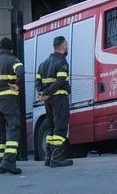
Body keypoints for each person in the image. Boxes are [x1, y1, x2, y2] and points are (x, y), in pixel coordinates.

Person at [0, 37, 24, 175]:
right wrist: (17, 84)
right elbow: (21, 71)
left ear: (0, 49)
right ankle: (9, 162)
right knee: (13, 129)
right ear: (11, 48)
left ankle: (1, 163)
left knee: (1, 133)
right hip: (8, 100)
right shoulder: (13, 59)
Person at [36, 36, 73, 168]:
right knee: (60, 127)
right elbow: (60, 81)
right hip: (59, 99)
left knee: (51, 128)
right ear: (63, 47)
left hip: (49, 100)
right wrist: (47, 93)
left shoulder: (43, 64)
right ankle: (57, 157)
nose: (67, 48)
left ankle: (48, 157)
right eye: (66, 45)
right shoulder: (62, 62)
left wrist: (42, 92)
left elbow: (37, 81)